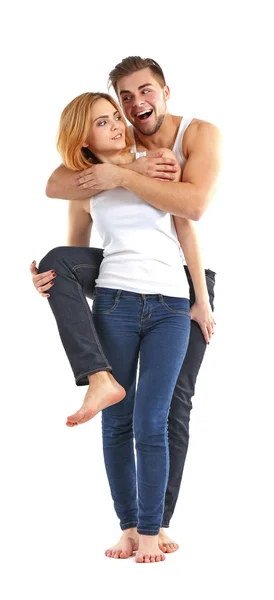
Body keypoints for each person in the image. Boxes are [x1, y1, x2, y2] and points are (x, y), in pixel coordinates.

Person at [33, 55, 222, 554]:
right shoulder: (88, 180)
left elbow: (189, 223)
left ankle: (152, 527)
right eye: (111, 114)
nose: (125, 116)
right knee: (120, 421)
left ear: (164, 90)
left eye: (120, 113)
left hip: (171, 302)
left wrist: (201, 302)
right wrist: (61, 280)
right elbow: (73, 232)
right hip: (116, 298)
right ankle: (129, 525)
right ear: (86, 140)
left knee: (155, 420)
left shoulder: (164, 159)